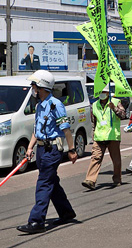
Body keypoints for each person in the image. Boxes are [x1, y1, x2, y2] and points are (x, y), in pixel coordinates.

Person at [17, 70, 77, 234]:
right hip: (42, 149)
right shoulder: (39, 106)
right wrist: (30, 147)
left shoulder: (55, 105)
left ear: (42, 86)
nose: (32, 88)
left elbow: (66, 130)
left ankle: (36, 221)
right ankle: (66, 212)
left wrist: (71, 150)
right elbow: (36, 130)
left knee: (43, 183)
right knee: (51, 182)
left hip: (52, 150)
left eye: (34, 85)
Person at [81, 84, 126, 190]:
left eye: (104, 92)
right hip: (99, 136)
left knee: (116, 159)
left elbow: (123, 115)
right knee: (95, 157)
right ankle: (90, 180)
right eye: (100, 92)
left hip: (112, 135)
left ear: (108, 93)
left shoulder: (115, 102)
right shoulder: (95, 105)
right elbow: (94, 121)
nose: (101, 94)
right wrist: (93, 134)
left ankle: (117, 179)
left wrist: (114, 108)